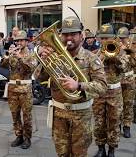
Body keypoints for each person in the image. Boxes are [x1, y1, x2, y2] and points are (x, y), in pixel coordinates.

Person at [36, 16, 107, 157]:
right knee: (61, 154)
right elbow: (39, 78)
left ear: (81, 36)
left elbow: (102, 86)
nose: (69, 38)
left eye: (73, 34)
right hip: (59, 116)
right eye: (65, 34)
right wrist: (43, 61)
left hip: (81, 117)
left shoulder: (91, 58)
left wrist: (79, 85)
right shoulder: (53, 55)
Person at [93, 24, 128, 157]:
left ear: (113, 38)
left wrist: (114, 58)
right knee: (99, 123)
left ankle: (112, 150)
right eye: (102, 38)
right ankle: (101, 148)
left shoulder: (122, 52)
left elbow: (124, 67)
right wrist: (100, 59)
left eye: (108, 37)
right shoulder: (96, 54)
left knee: (114, 123)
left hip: (115, 93)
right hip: (99, 93)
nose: (105, 41)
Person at [1, 30, 37, 149]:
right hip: (13, 89)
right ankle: (19, 136)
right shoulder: (13, 53)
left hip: (25, 89)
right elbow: (3, 66)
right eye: (17, 41)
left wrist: (20, 57)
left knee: (27, 115)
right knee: (15, 115)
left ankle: (27, 138)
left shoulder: (31, 54)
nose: (19, 43)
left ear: (26, 42)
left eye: (21, 40)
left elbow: (30, 68)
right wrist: (8, 55)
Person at [117, 27, 136, 138]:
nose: (121, 40)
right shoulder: (115, 46)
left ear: (128, 37)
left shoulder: (133, 46)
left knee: (128, 104)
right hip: (118, 81)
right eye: (120, 37)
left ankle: (127, 126)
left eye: (123, 38)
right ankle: (118, 125)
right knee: (118, 105)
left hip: (129, 81)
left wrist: (130, 51)